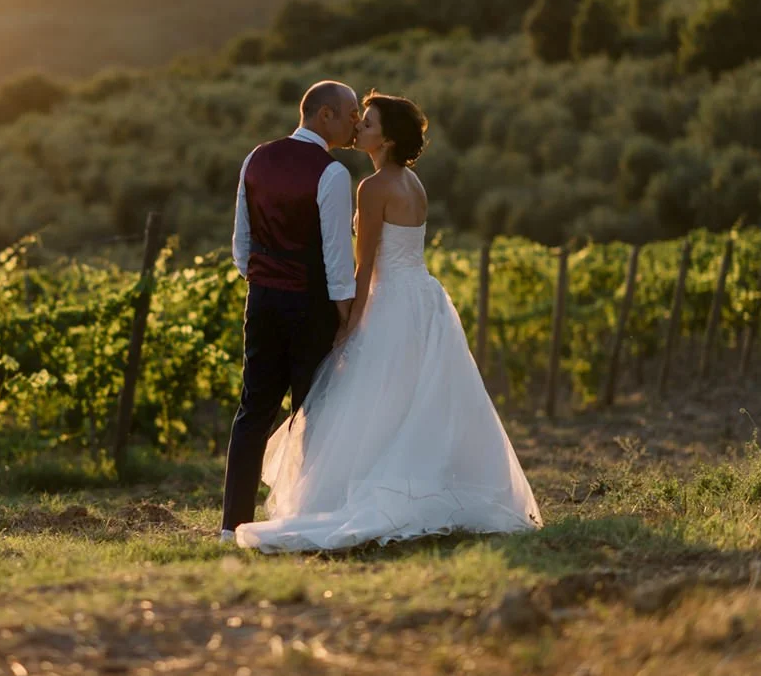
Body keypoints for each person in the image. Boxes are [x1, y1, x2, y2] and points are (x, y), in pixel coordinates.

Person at [234, 90, 542, 553]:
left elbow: (361, 266)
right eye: (358, 118)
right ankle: (426, 487)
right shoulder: (412, 184)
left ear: (389, 140)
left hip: (387, 301)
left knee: (369, 404)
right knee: (414, 405)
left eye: (369, 123)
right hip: (424, 298)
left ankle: (354, 495)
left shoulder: (370, 188)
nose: (359, 127)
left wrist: (349, 323)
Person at [220, 80, 360, 543]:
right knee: (314, 414)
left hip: (261, 300)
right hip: (311, 305)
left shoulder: (255, 157)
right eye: (350, 112)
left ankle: (231, 526)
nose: (356, 120)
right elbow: (339, 260)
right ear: (325, 116)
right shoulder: (332, 173)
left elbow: (241, 244)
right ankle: (311, 520)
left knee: (252, 410)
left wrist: (263, 279)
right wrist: (345, 315)